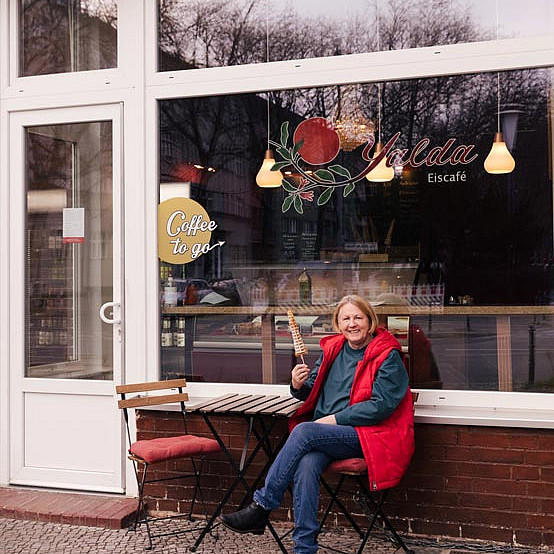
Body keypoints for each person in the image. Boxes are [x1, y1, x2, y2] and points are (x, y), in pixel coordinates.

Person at [219, 294, 415, 554]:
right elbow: (312, 390)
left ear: (370, 322)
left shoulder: (386, 355)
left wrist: (334, 419)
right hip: (324, 434)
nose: (352, 324)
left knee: (304, 431)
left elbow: (381, 407)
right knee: (307, 462)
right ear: (338, 323)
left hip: (367, 436)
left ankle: (262, 506)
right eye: (346, 318)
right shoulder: (332, 349)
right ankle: (304, 548)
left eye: (358, 317)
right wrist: (298, 385)